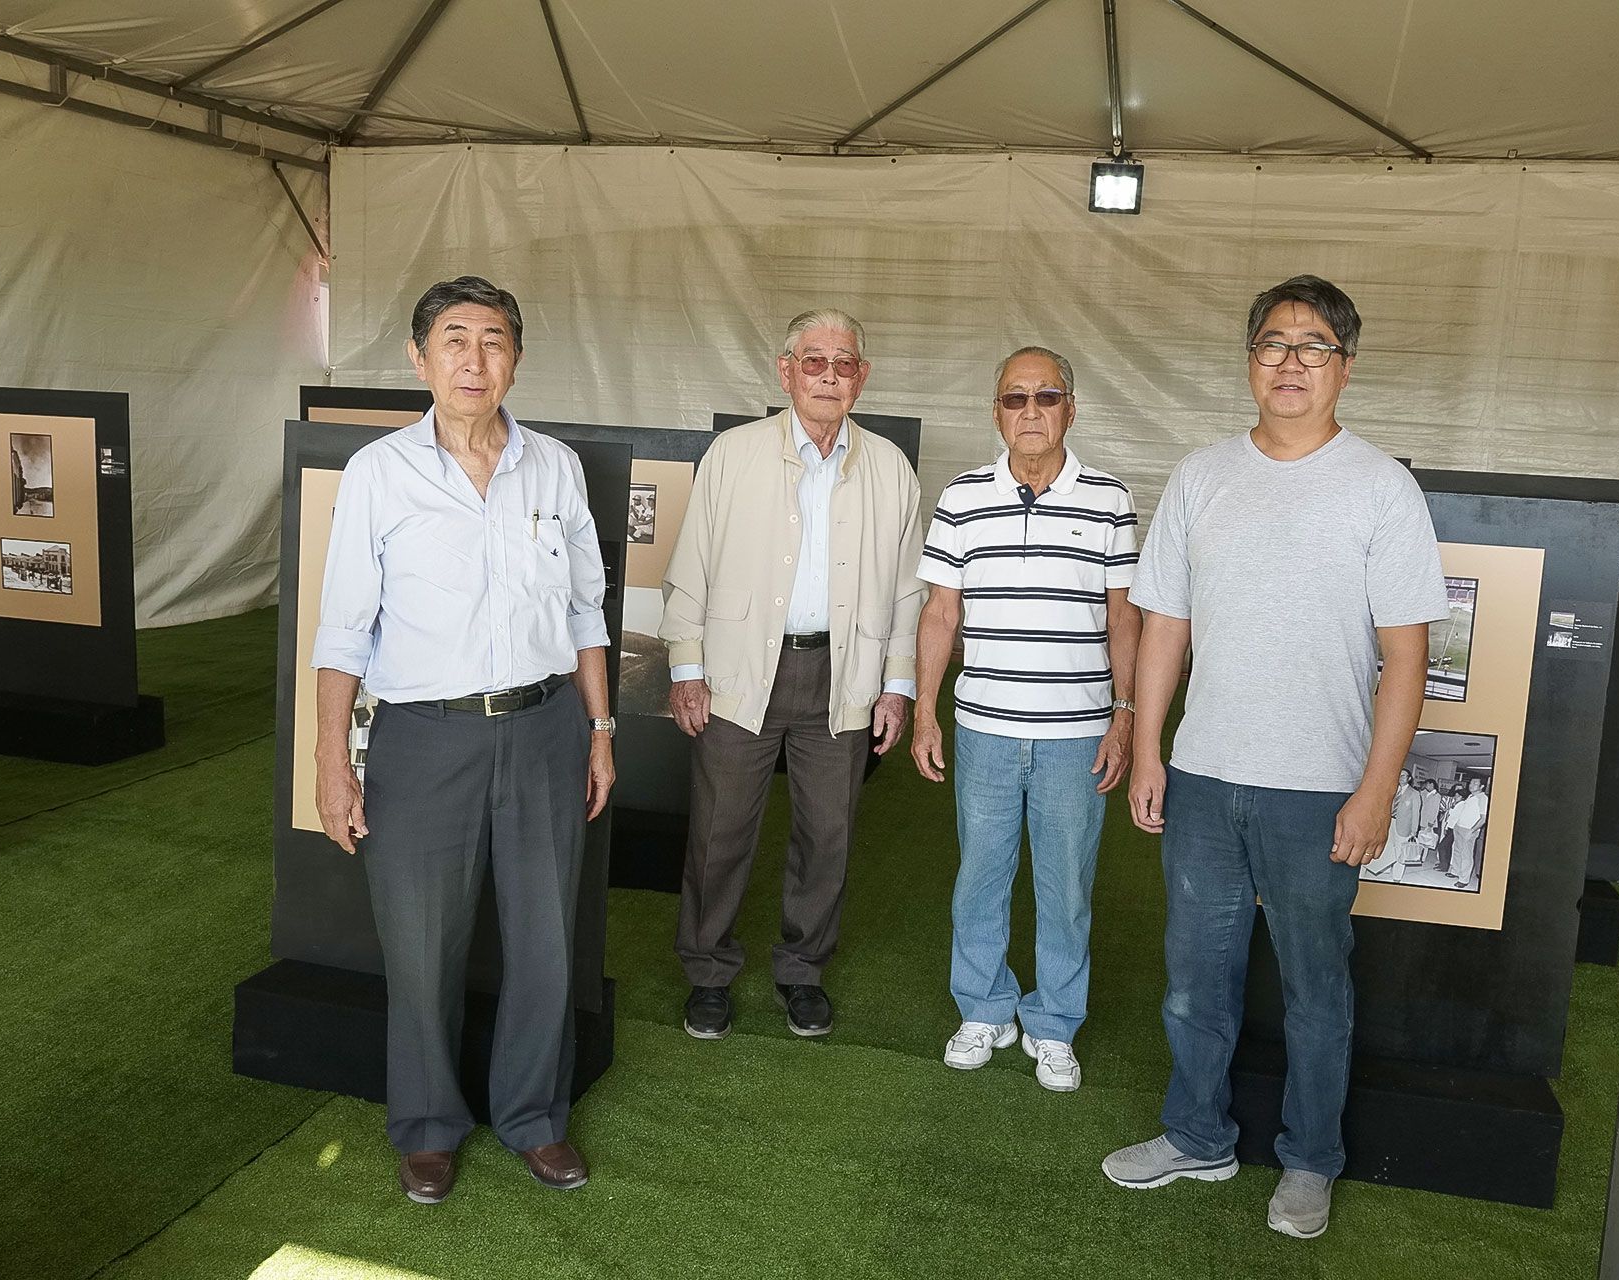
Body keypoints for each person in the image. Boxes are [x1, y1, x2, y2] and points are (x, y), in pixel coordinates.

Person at [1102, 275, 1447, 1240]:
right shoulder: (1200, 476)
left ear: (1345, 366)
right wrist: (1150, 751)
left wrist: (1376, 791)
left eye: (1312, 347)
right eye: (1273, 345)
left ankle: (1309, 1160)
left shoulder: (1381, 488)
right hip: (1205, 776)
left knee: (1314, 988)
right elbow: (1164, 626)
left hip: (1319, 788)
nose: (1290, 363)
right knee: (1194, 980)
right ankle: (1196, 1135)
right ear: (1250, 361)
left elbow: (1408, 657)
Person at [312, 275, 616, 1205]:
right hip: (422, 740)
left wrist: (600, 730)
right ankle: (427, 1127)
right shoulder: (377, 472)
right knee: (420, 945)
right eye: (454, 339)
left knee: (546, 938)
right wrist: (332, 760)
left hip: (545, 730)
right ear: (420, 358)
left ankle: (534, 1117)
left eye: (493, 340)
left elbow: (585, 611)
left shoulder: (555, 467)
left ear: (515, 358)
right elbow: (343, 629)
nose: (474, 359)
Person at [660, 308, 924, 1040]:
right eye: (814, 361)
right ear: (786, 372)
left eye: (844, 364)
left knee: (827, 833)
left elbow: (909, 591)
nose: (829, 376)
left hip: (842, 673)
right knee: (719, 831)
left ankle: (803, 970)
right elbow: (691, 564)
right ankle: (708, 972)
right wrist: (687, 667)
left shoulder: (890, 469)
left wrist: (896, 684)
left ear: (861, 378)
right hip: (739, 669)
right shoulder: (733, 454)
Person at [910, 346, 1140, 1092]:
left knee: (1066, 886)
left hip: (1077, 735)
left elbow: (1124, 619)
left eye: (1046, 397)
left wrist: (1125, 716)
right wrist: (925, 713)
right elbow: (940, 613)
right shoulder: (961, 497)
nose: (1031, 411)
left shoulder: (1109, 500)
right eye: (1016, 398)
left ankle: (1054, 1022)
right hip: (983, 728)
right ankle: (984, 1008)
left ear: (1071, 408)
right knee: (979, 876)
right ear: (997, 412)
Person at [1364, 769, 1419, 880]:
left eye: (1404, 776)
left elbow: (1416, 813)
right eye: (1399, 775)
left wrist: (1414, 830)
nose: (1401, 778)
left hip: (1403, 827)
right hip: (1388, 824)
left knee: (1400, 852)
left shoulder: (1414, 793)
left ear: (1409, 778)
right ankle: (1385, 869)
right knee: (1386, 848)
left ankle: (1397, 877)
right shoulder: (1393, 789)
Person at [1447, 776, 1489, 889]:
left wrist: (1472, 830)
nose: (1471, 785)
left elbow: (1483, 818)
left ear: (1482, 786)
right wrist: (1456, 825)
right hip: (1459, 827)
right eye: (1470, 783)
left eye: (1475, 783)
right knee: (1457, 851)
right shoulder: (1470, 796)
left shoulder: (1483, 798)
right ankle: (1455, 871)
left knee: (1466, 855)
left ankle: (1464, 879)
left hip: (1469, 830)